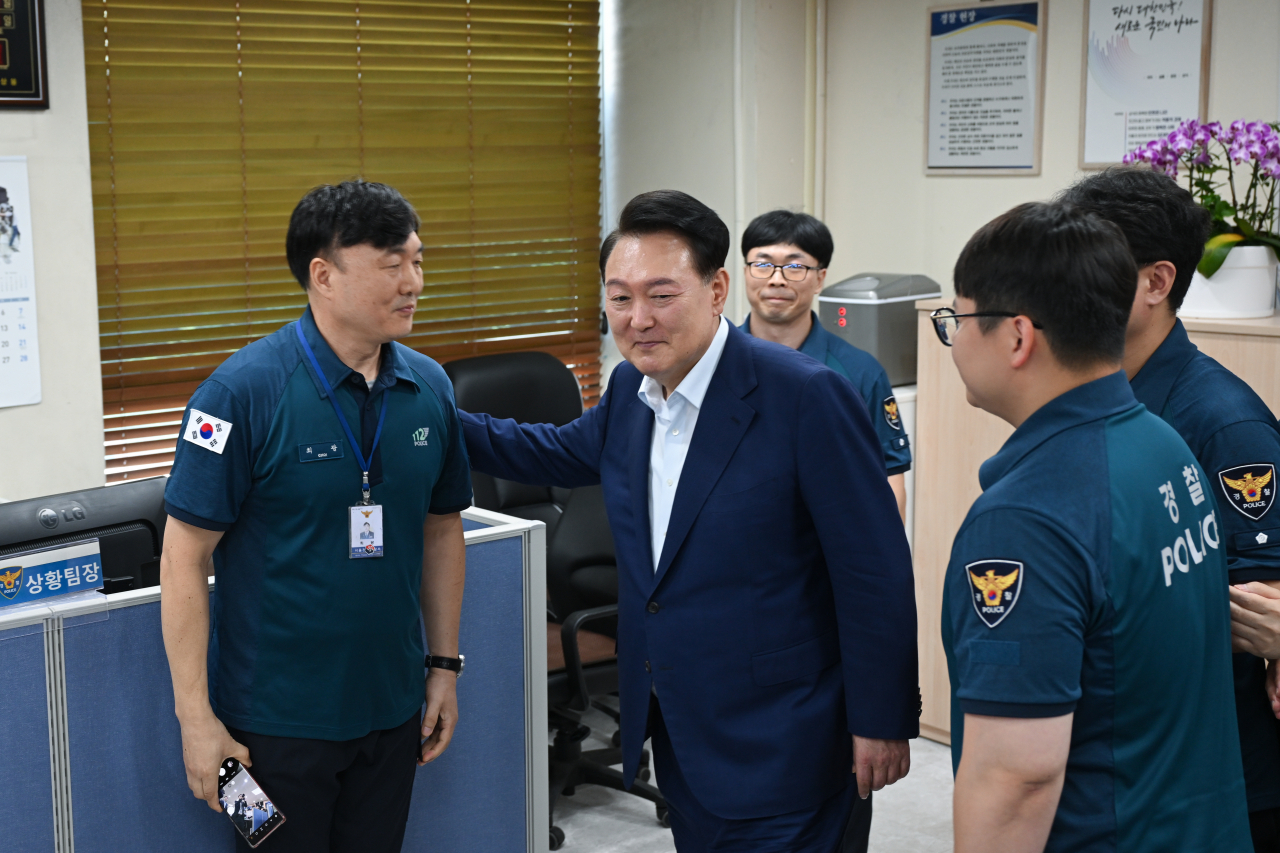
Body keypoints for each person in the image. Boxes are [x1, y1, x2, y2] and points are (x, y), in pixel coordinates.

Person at [460, 190, 919, 852]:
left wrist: (882, 718)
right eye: (619, 297)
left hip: (788, 736)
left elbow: (872, 567)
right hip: (681, 731)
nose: (637, 318)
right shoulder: (631, 390)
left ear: (716, 288)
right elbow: (553, 450)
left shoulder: (805, 396)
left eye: (660, 294)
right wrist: (423, 408)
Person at [159, 180, 473, 853]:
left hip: (393, 713)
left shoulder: (430, 387)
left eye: (418, 260)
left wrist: (443, 665)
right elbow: (183, 555)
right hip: (269, 728)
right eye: (392, 264)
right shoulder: (239, 393)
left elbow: (442, 526)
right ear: (322, 275)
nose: (413, 281)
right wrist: (196, 719)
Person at [937, 201, 1251, 852]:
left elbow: (1015, 777)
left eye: (959, 318)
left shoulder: (1026, 520)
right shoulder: (1162, 444)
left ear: (1018, 336)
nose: (954, 339)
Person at [1061, 167, 1280, 851]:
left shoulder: (1222, 421)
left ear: (1156, 282)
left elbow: (1260, 605)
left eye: (1090, 266)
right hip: (1120, 752)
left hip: (1213, 773)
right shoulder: (1090, 392)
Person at [739, 209, 911, 523]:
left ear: (820, 278)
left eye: (795, 266)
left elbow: (888, 477)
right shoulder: (712, 361)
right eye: (762, 264)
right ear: (745, 271)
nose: (777, 279)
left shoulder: (860, 371)